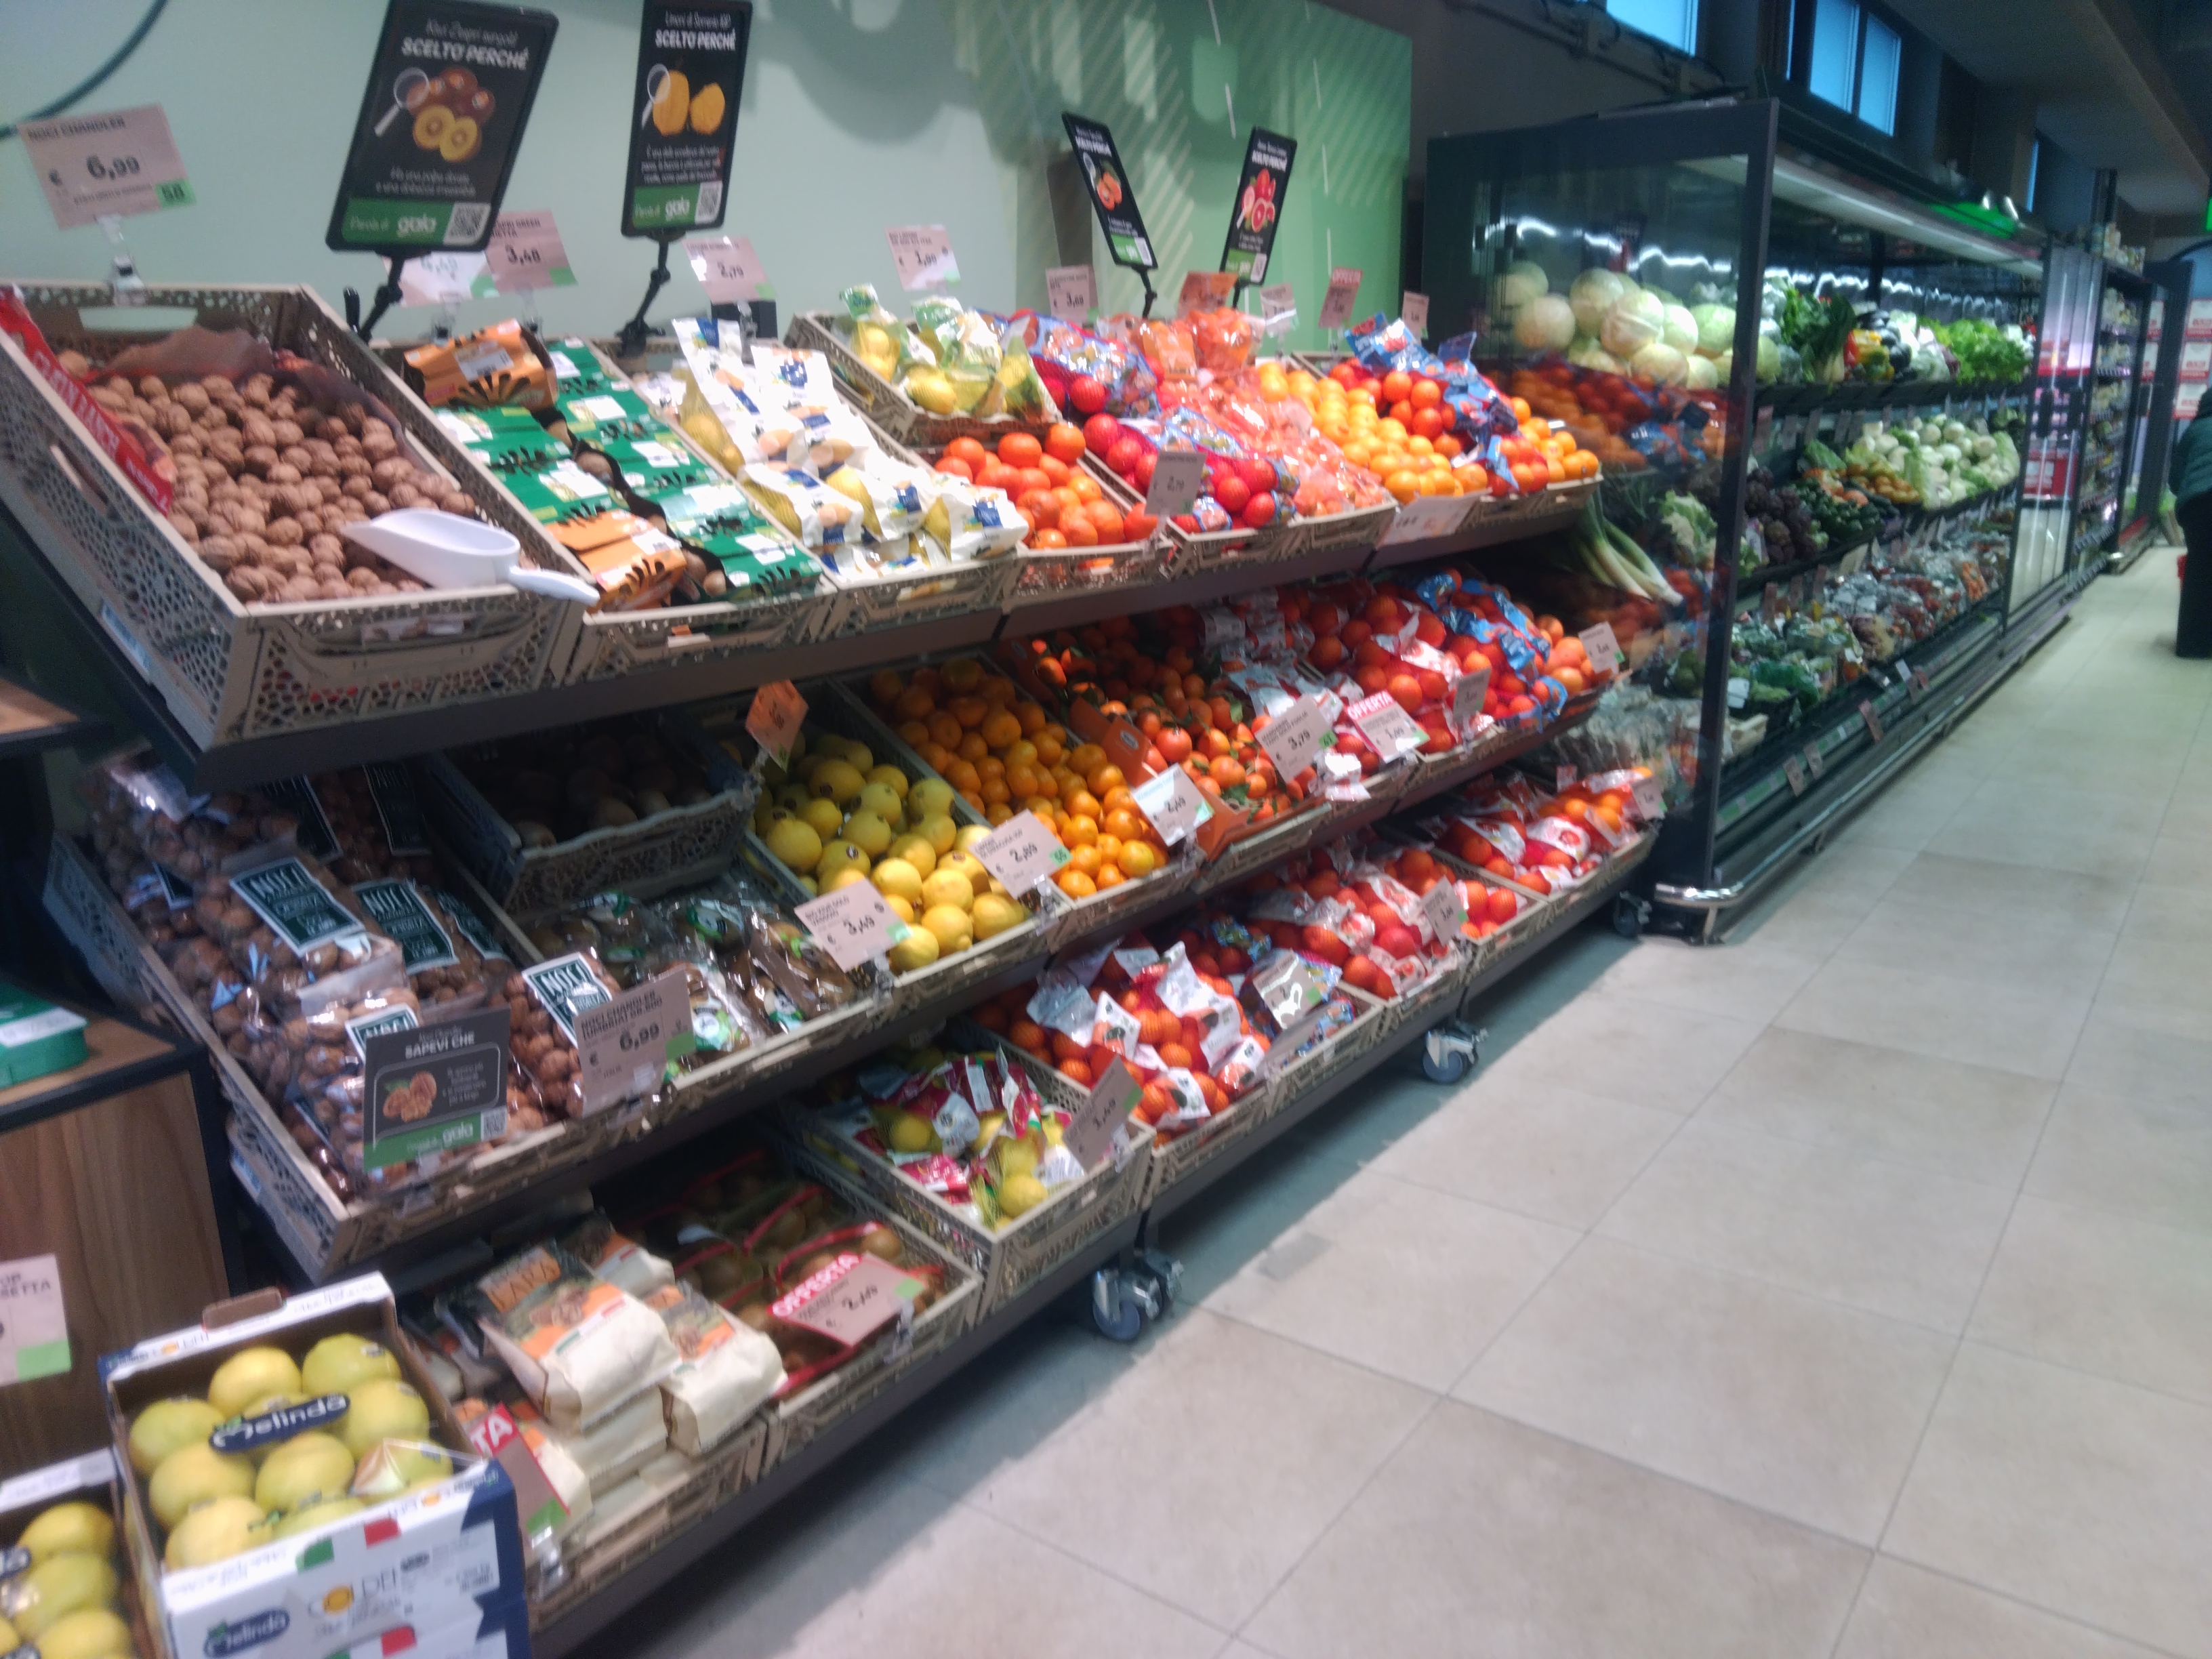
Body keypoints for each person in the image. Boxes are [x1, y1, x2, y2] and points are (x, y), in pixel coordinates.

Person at [2171, 414, 2212, 656]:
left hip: (2197, 504)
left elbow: (2175, 477)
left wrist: (2189, 491)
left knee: (2198, 570)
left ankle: (2191, 645)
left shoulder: (2195, 429)